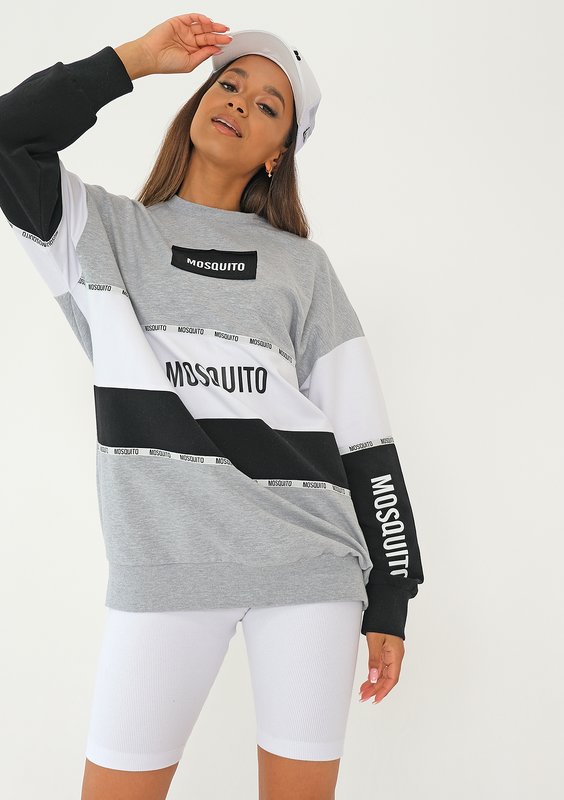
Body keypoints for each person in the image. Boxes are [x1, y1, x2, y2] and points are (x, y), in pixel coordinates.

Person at [0, 12, 425, 800]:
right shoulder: (97, 232)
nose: (238, 101)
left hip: (310, 569)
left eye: (268, 105)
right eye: (229, 83)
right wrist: (134, 59)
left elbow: (364, 437)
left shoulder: (303, 268)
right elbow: (7, 135)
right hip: (162, 568)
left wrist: (391, 597)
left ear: (278, 153)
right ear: (198, 100)